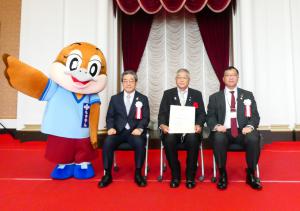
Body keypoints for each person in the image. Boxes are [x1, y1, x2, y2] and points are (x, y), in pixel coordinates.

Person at [207, 66, 262, 190]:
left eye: (233, 75)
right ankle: (222, 173)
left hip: (243, 131)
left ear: (237, 78)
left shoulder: (247, 95)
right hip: (224, 131)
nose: (231, 77)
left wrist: (249, 126)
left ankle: (251, 173)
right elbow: (210, 116)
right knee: (218, 138)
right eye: (228, 75)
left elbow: (255, 116)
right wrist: (216, 126)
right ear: (223, 79)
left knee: (253, 138)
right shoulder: (215, 97)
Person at [98, 71, 150, 188]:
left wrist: (140, 129)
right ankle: (107, 174)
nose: (128, 83)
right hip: (118, 132)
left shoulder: (143, 98)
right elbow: (110, 116)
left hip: (134, 132)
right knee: (107, 142)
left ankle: (138, 174)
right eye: (125, 81)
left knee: (140, 143)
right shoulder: (115, 98)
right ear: (122, 83)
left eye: (131, 80)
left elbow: (146, 118)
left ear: (136, 82)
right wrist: (110, 127)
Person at [158, 68, 206, 189]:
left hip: (191, 130)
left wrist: (199, 125)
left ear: (189, 80)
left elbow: (201, 114)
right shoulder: (168, 93)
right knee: (168, 140)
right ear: (175, 80)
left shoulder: (196, 94)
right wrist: (163, 125)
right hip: (172, 130)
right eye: (179, 77)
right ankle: (176, 174)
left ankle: (190, 176)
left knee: (193, 139)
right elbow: (162, 113)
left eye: (184, 77)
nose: (181, 80)